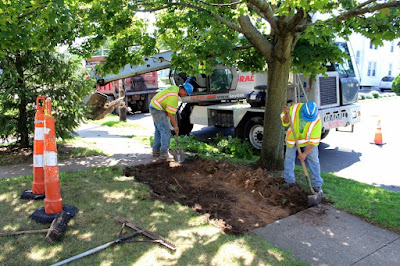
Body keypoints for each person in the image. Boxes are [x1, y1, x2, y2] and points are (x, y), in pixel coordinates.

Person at [280, 101, 324, 194]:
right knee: (289, 159)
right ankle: (289, 181)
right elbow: (285, 122)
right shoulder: (294, 109)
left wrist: (305, 154)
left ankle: (317, 185)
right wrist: (287, 114)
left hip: (307, 142)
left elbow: (314, 142)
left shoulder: (317, 121)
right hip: (293, 139)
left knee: (314, 160)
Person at [149, 80, 194, 161]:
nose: (185, 96)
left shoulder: (174, 88)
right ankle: (164, 155)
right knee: (166, 132)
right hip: (157, 109)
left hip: (154, 105)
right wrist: (175, 126)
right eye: (186, 94)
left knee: (159, 130)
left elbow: (167, 106)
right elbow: (171, 114)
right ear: (183, 90)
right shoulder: (174, 97)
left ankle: (156, 151)